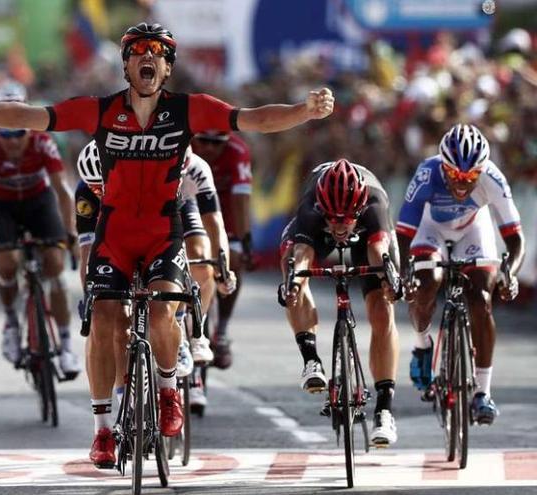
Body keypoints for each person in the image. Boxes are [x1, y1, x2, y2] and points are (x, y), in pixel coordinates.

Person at [0, 22, 333, 468]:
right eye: (138, 51)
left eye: (158, 52)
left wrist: (304, 110)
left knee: (165, 308)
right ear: (126, 64)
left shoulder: (190, 109)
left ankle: (168, 392)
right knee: (105, 317)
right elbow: (29, 116)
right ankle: (103, 429)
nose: (148, 57)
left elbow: (255, 119)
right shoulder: (100, 110)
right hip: (115, 231)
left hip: (163, 230)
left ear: (167, 67)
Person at [75, 141, 235, 415]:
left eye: (104, 187)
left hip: (179, 207)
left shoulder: (193, 170)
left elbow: (214, 223)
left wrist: (222, 264)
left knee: (198, 253)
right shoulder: (88, 191)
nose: (100, 193)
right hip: (121, 228)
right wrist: (91, 292)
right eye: (96, 188)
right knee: (118, 319)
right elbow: (88, 251)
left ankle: (190, 329)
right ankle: (124, 392)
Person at [397, 124, 524, 425]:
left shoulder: (492, 177)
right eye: (455, 175)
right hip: (430, 229)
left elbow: (515, 239)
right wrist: (405, 273)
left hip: (473, 230)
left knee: (481, 300)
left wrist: (510, 273)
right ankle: (422, 344)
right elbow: (403, 233)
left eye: (470, 177)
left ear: (482, 170)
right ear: (444, 167)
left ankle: (483, 392)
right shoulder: (427, 173)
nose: (463, 183)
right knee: (428, 283)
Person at [279, 159, 400, 447]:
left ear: (358, 210)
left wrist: (389, 281)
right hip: (311, 233)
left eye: (346, 219)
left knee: (383, 308)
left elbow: (377, 249)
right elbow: (304, 251)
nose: (340, 225)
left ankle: (384, 409)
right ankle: (310, 359)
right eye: (333, 218)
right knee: (292, 268)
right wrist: (294, 283)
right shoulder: (312, 206)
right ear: (323, 208)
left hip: (369, 238)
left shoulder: (374, 204)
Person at [0, 94, 81, 377]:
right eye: (6, 136)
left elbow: (63, 191)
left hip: (38, 203)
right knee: (6, 263)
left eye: (19, 134)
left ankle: (67, 344)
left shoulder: (44, 143)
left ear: (28, 131)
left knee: (55, 264)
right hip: (3, 206)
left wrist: (70, 232)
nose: (13, 142)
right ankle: (10, 321)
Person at [190, 130, 253, 369]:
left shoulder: (237, 152)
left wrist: (245, 240)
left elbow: (241, 200)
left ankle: (222, 330)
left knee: (233, 260)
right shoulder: (183, 146)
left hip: (225, 211)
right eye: (203, 141)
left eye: (216, 144)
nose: (209, 148)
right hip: (189, 205)